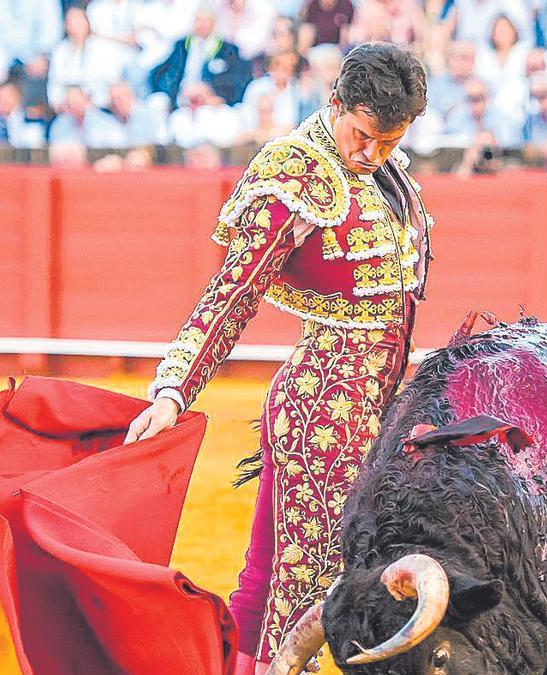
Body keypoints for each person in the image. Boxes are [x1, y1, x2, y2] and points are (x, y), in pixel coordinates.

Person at [123, 42, 432, 675]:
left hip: (378, 412)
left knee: (271, 570)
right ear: (335, 102)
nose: (370, 154)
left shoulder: (390, 174)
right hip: (320, 413)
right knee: (312, 585)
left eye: (389, 140)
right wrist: (173, 390)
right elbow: (231, 295)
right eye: (363, 134)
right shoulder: (294, 176)